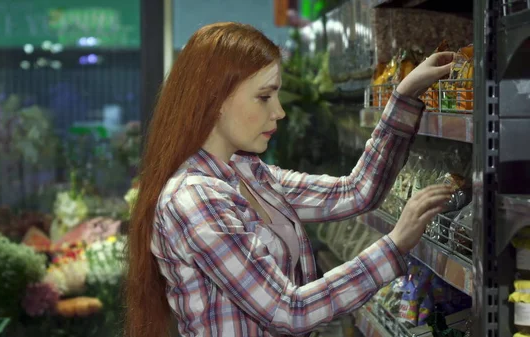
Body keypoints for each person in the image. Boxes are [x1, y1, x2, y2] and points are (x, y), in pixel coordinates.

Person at [127, 22, 454, 337]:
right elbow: (289, 311)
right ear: (216, 101)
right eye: (264, 97)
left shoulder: (251, 175)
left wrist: (405, 95)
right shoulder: (195, 200)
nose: (280, 111)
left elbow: (355, 192)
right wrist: (394, 244)